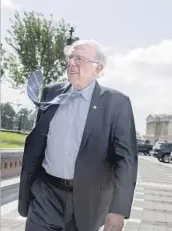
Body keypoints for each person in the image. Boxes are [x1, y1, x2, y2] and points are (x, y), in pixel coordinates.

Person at [18, 39, 138, 231]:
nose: (72, 63)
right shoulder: (51, 93)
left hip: (87, 200)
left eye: (79, 59)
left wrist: (118, 210)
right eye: (70, 57)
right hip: (46, 194)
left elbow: (126, 160)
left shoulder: (117, 103)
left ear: (97, 69)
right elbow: (38, 141)